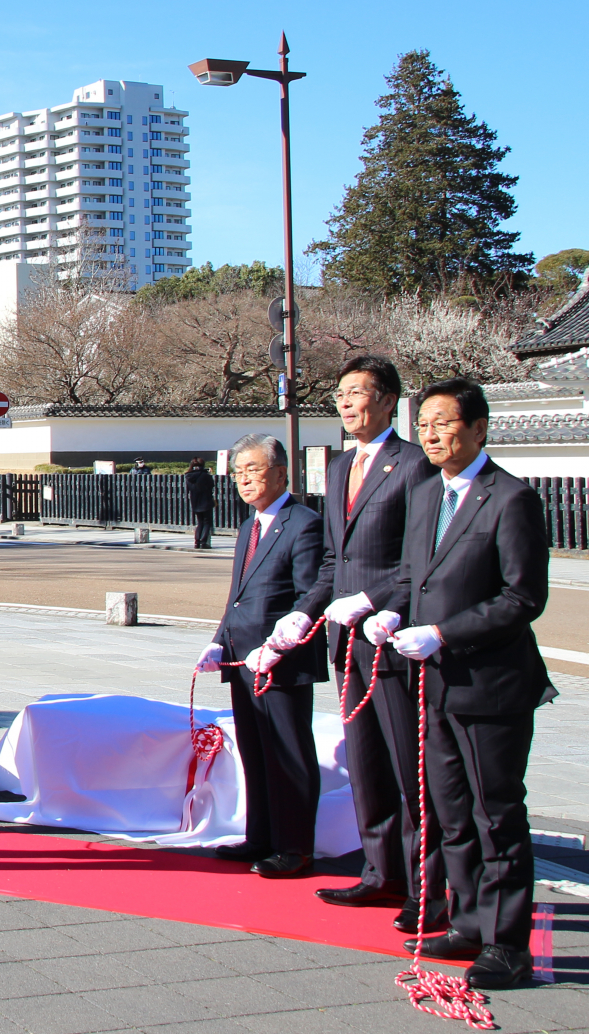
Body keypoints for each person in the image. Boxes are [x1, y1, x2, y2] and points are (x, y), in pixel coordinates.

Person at [366, 377, 552, 989]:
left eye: (445, 423)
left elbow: (522, 597)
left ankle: (508, 943)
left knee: (495, 811)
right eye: (425, 425)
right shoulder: (425, 495)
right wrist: (390, 610)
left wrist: (444, 633)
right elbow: (412, 574)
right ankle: (468, 920)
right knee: (449, 811)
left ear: (478, 428)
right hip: (434, 684)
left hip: (490, 684)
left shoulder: (510, 498)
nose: (432, 434)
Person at [294, 358, 441, 926]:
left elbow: (419, 558)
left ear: (388, 401)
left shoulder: (413, 464)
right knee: (367, 762)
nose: (345, 402)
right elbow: (335, 559)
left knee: (411, 768)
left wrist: (380, 602)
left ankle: (425, 887)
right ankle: (380, 873)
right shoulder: (338, 467)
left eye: (357, 393)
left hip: (391, 636)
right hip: (345, 639)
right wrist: (303, 614)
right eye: (339, 392)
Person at [194, 433, 325, 878]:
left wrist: (279, 645)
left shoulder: (302, 522)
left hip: (281, 661)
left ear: (281, 472)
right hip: (242, 659)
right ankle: (261, 835)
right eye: (238, 472)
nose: (244, 479)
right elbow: (239, 596)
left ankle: (295, 848)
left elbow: (309, 596)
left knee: (288, 753)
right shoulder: (251, 526)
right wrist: (219, 640)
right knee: (254, 750)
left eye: (253, 469)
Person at [185, 457, 216, 550]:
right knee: (207, 522)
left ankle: (197, 541)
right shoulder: (205, 476)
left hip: (195, 501)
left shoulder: (189, 476)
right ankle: (203, 541)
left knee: (200, 522)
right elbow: (211, 485)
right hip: (206, 500)